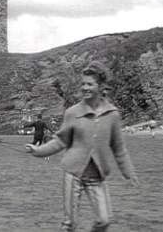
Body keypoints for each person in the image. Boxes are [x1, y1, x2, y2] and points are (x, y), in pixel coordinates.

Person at [25, 61, 139, 232]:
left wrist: (128, 173)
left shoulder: (112, 114)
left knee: (104, 220)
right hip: (73, 174)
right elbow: (60, 141)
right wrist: (38, 151)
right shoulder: (72, 112)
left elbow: (119, 147)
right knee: (69, 224)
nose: (85, 88)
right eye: (83, 84)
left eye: (90, 84)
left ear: (101, 87)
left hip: (97, 176)